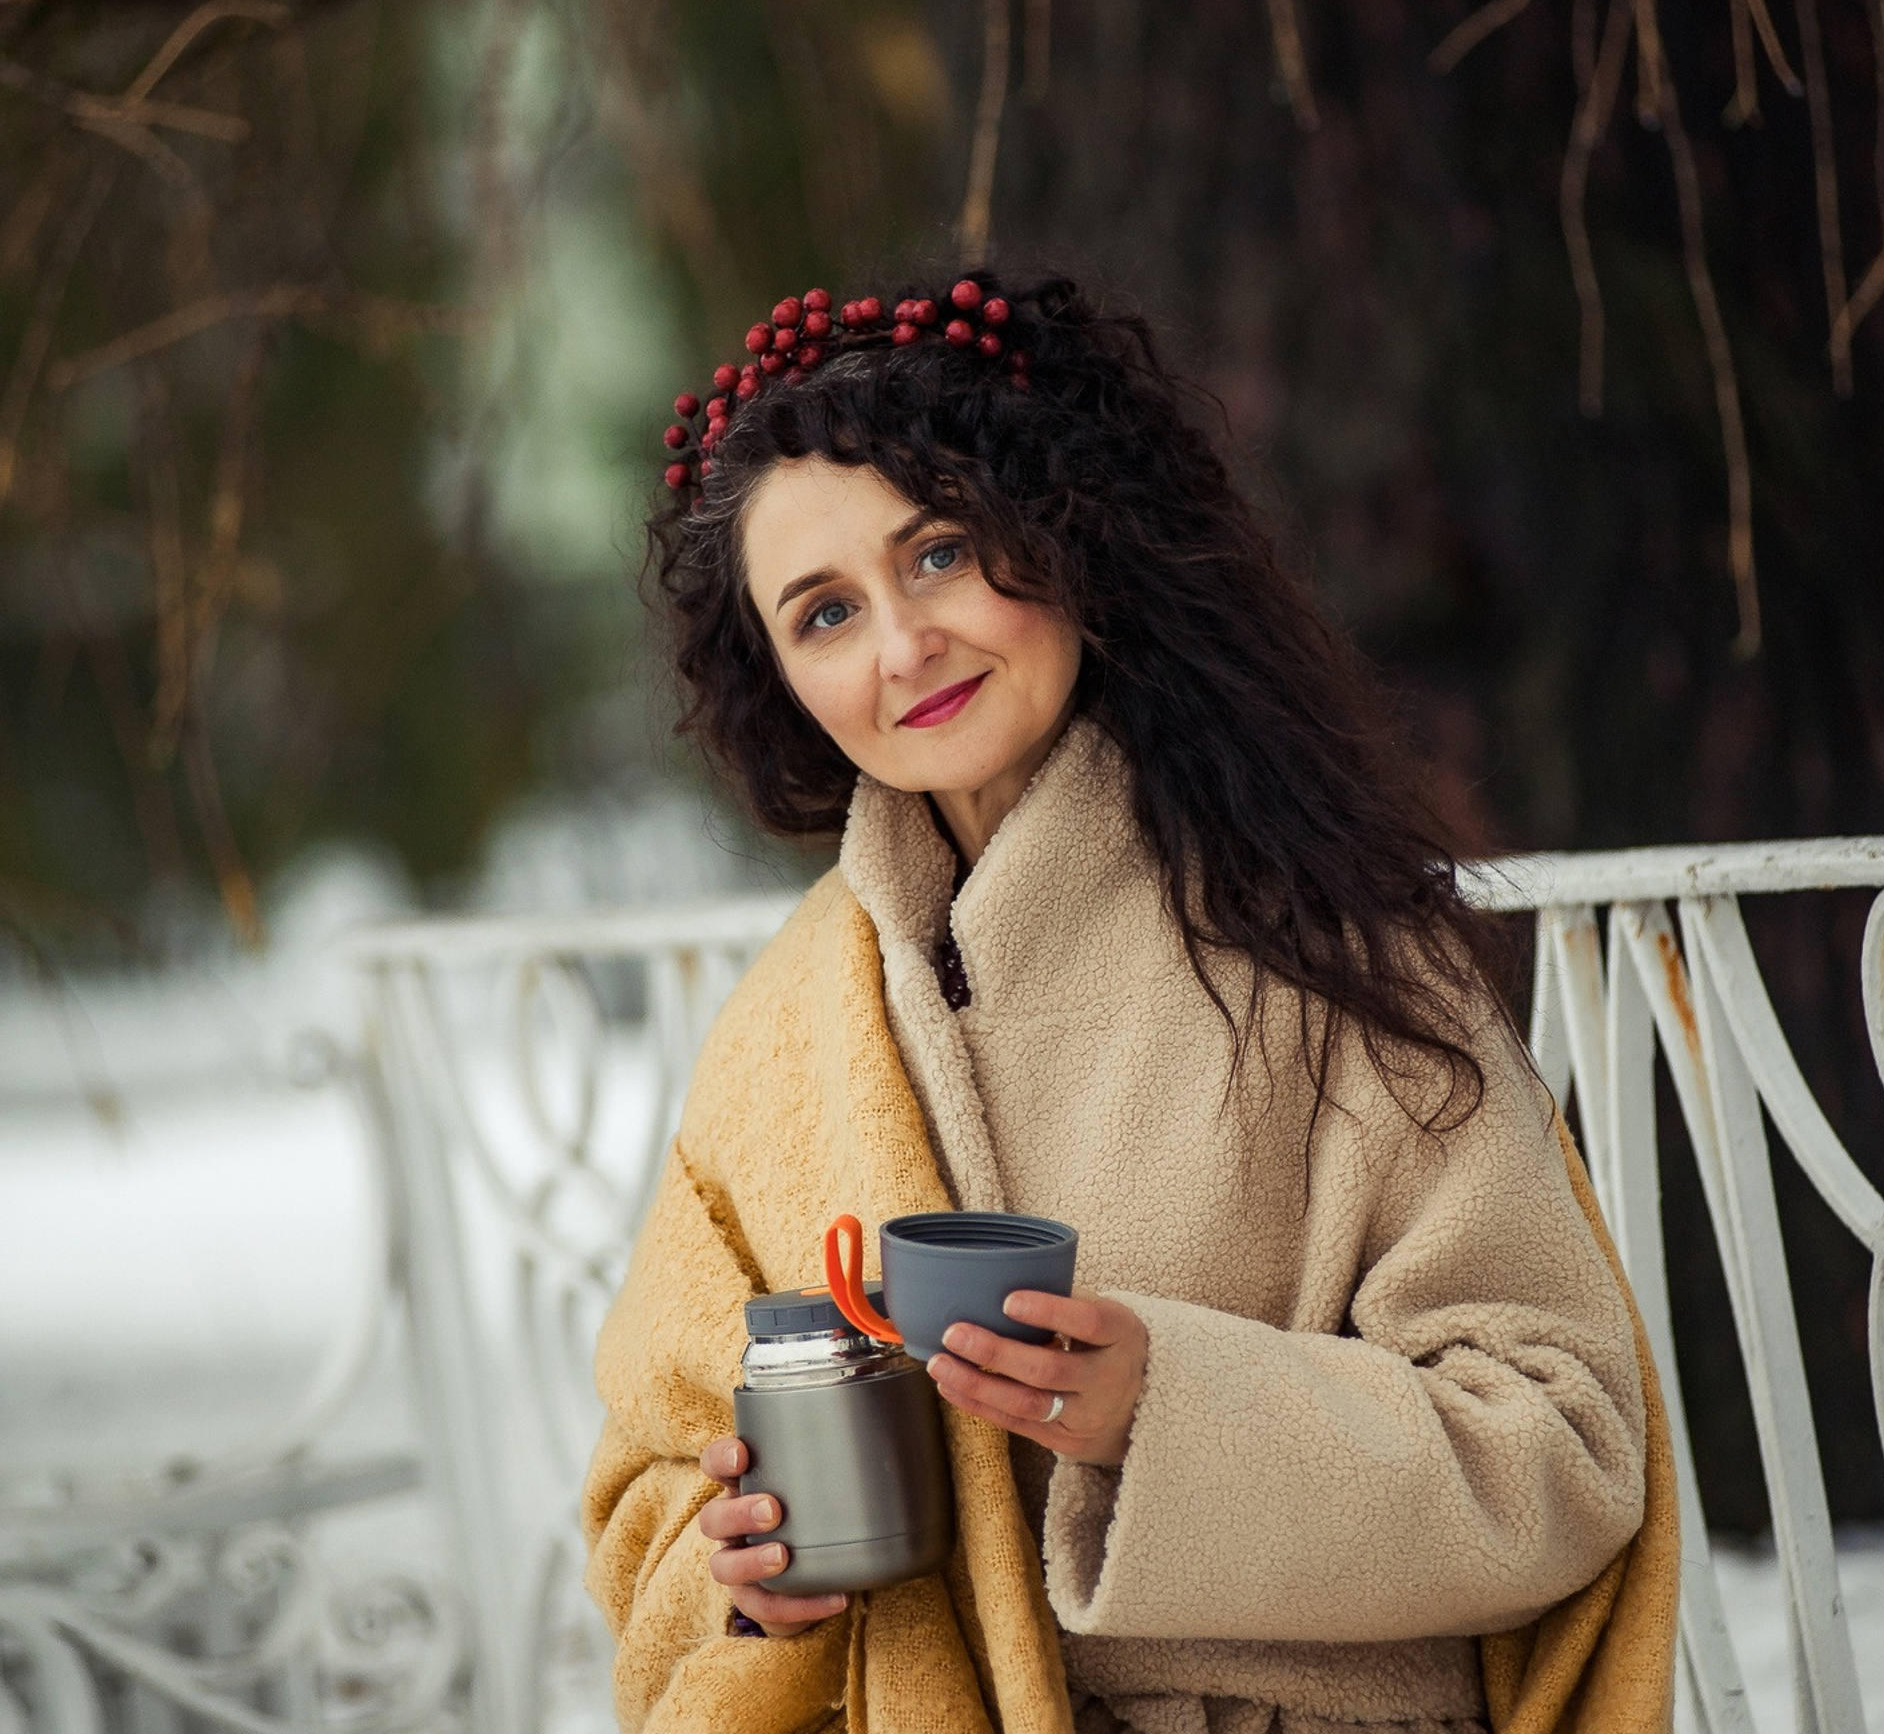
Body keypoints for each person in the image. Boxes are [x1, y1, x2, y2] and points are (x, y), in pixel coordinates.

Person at [583, 274, 1675, 1734]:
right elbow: (652, 1482)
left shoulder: (1326, 940)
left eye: (945, 551)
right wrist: (742, 1581)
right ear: (777, 676)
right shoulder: (787, 1033)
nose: (900, 648)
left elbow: (1569, 1448)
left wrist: (1168, 1411)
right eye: (826, 611)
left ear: (1074, 535)